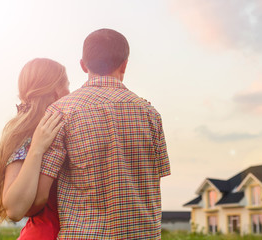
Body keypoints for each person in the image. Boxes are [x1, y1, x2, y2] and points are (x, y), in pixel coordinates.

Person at [31, 28, 171, 239]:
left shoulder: (61, 112)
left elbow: (40, 196)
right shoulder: (151, 114)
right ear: (125, 64)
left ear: (83, 65)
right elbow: (153, 180)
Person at [0, 58, 69, 239]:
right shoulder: (26, 137)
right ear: (54, 92)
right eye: (66, 85)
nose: (70, 92)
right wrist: (37, 147)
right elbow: (14, 209)